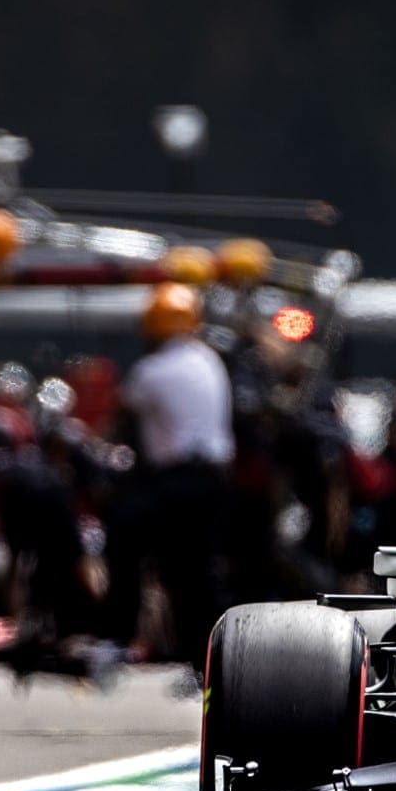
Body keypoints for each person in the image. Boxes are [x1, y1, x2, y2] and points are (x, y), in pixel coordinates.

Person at [106, 282, 234, 663]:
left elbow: (121, 417)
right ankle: (206, 654)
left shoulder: (150, 371)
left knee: (122, 537)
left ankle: (119, 634)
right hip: (213, 481)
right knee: (196, 569)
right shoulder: (210, 359)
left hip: (174, 482)